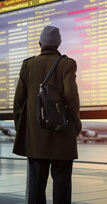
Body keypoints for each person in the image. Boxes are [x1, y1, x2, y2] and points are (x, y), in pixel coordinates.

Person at [13, 26, 82, 204]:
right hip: (62, 130)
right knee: (62, 181)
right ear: (58, 44)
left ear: (40, 43)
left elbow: (18, 101)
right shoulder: (68, 64)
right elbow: (71, 96)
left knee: (36, 183)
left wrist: (23, 128)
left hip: (36, 133)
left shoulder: (27, 65)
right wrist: (76, 123)